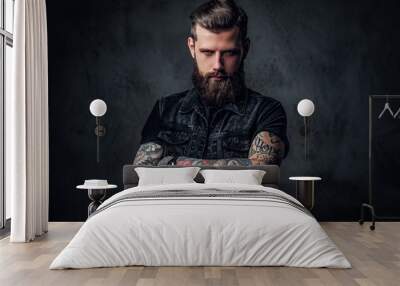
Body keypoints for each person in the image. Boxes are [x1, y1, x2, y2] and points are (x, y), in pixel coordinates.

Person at [133, 0, 289, 167]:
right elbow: (141, 173)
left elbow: (261, 172)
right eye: (207, 52)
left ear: (245, 49)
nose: (217, 65)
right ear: (192, 47)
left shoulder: (267, 111)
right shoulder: (165, 110)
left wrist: (171, 162)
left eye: (229, 53)